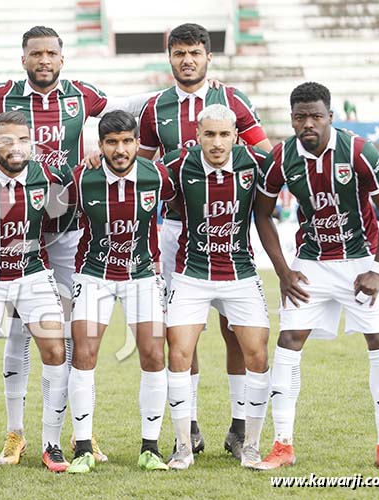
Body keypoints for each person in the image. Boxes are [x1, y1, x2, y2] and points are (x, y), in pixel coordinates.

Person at [0, 25, 152, 464]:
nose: (44, 60)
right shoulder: (2, 96)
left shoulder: (81, 95)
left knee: (61, 334)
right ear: (23, 58)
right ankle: (13, 433)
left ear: (61, 59)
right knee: (12, 335)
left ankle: (79, 434)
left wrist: (199, 88)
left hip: (60, 225)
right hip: (4, 231)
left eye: (51, 53)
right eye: (36, 53)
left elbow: (131, 106)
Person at [137, 23, 273, 458]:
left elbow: (265, 157)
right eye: (179, 53)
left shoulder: (231, 100)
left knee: (236, 333)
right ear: (170, 57)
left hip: (229, 230)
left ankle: (238, 429)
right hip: (179, 231)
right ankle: (189, 426)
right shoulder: (154, 107)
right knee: (184, 335)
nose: (187, 60)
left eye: (195, 52)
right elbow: (140, 171)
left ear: (208, 56)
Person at [255, 82, 379, 471]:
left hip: (361, 260)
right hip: (312, 263)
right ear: (291, 119)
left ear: (330, 118)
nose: (308, 123)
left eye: (316, 116)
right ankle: (282, 445)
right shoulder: (281, 158)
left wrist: (378, 269)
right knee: (288, 340)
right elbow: (262, 212)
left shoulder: (357, 150)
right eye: (300, 117)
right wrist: (284, 272)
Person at [0, 111, 71, 473]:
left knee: (55, 348)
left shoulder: (48, 177)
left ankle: (51, 444)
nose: (15, 147)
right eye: (6, 140)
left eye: (22, 139)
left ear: (31, 143)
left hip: (33, 273)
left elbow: (58, 221)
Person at [161, 104, 271, 470]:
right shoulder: (178, 164)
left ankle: (249, 443)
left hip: (240, 274)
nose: (217, 142)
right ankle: (182, 445)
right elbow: (138, 173)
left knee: (257, 353)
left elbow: (294, 171)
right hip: (191, 275)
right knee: (178, 352)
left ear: (236, 137)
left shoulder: (254, 162)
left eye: (225, 134)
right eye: (209, 134)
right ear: (197, 136)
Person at [65, 111, 174, 473]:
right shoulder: (82, 178)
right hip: (93, 274)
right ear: (101, 146)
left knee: (154, 355)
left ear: (137, 143)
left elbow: (181, 206)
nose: (120, 149)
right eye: (112, 142)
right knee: (84, 353)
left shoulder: (157, 176)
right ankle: (82, 447)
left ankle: (151, 448)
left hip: (142, 276)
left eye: (127, 141)